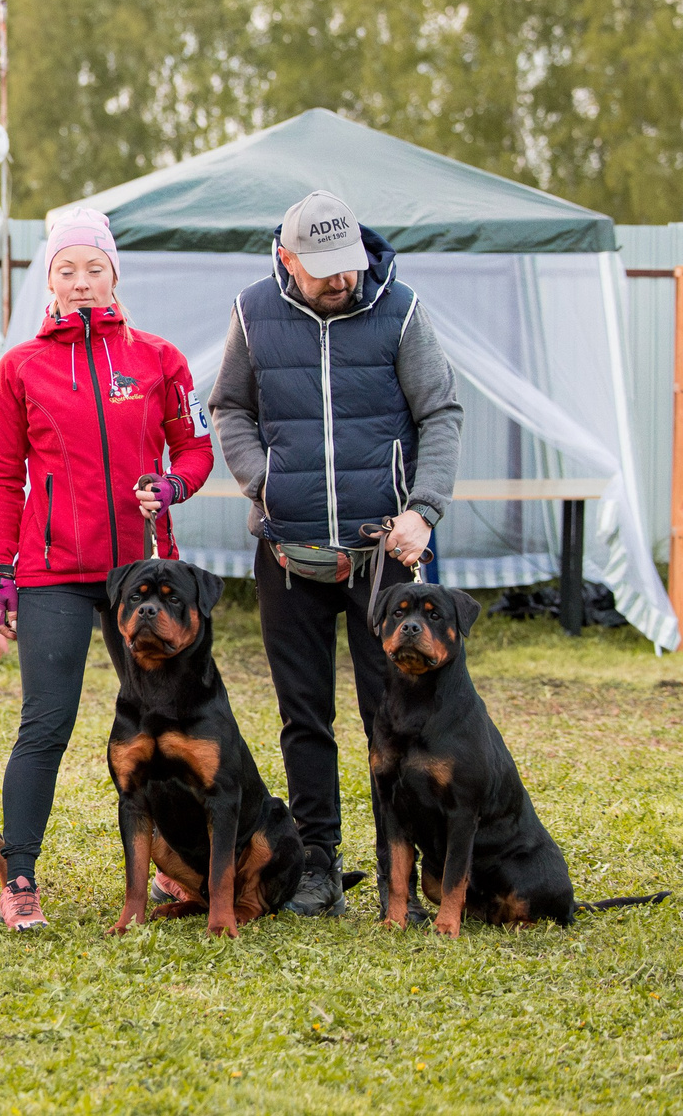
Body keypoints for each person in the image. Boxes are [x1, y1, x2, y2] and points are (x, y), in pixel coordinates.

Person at [210, 189, 462, 920]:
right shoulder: (253, 312)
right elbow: (230, 406)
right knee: (304, 716)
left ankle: (399, 877)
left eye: (347, 264)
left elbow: (439, 411)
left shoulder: (401, 309)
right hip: (288, 552)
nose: (340, 279)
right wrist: (265, 481)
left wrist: (423, 508)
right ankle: (318, 866)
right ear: (286, 258)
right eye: (322, 268)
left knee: (394, 718)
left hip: (383, 552)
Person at [0, 207, 214, 931]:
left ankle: (187, 868)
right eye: (66, 269)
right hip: (51, 572)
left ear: (115, 275)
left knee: (171, 722)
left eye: (94, 268)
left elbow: (197, 448)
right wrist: (2, 573)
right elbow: (1, 473)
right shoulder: (21, 366)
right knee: (44, 725)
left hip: (143, 577)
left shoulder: (161, 360)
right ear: (48, 281)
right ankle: (19, 878)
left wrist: (173, 486)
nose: (81, 282)